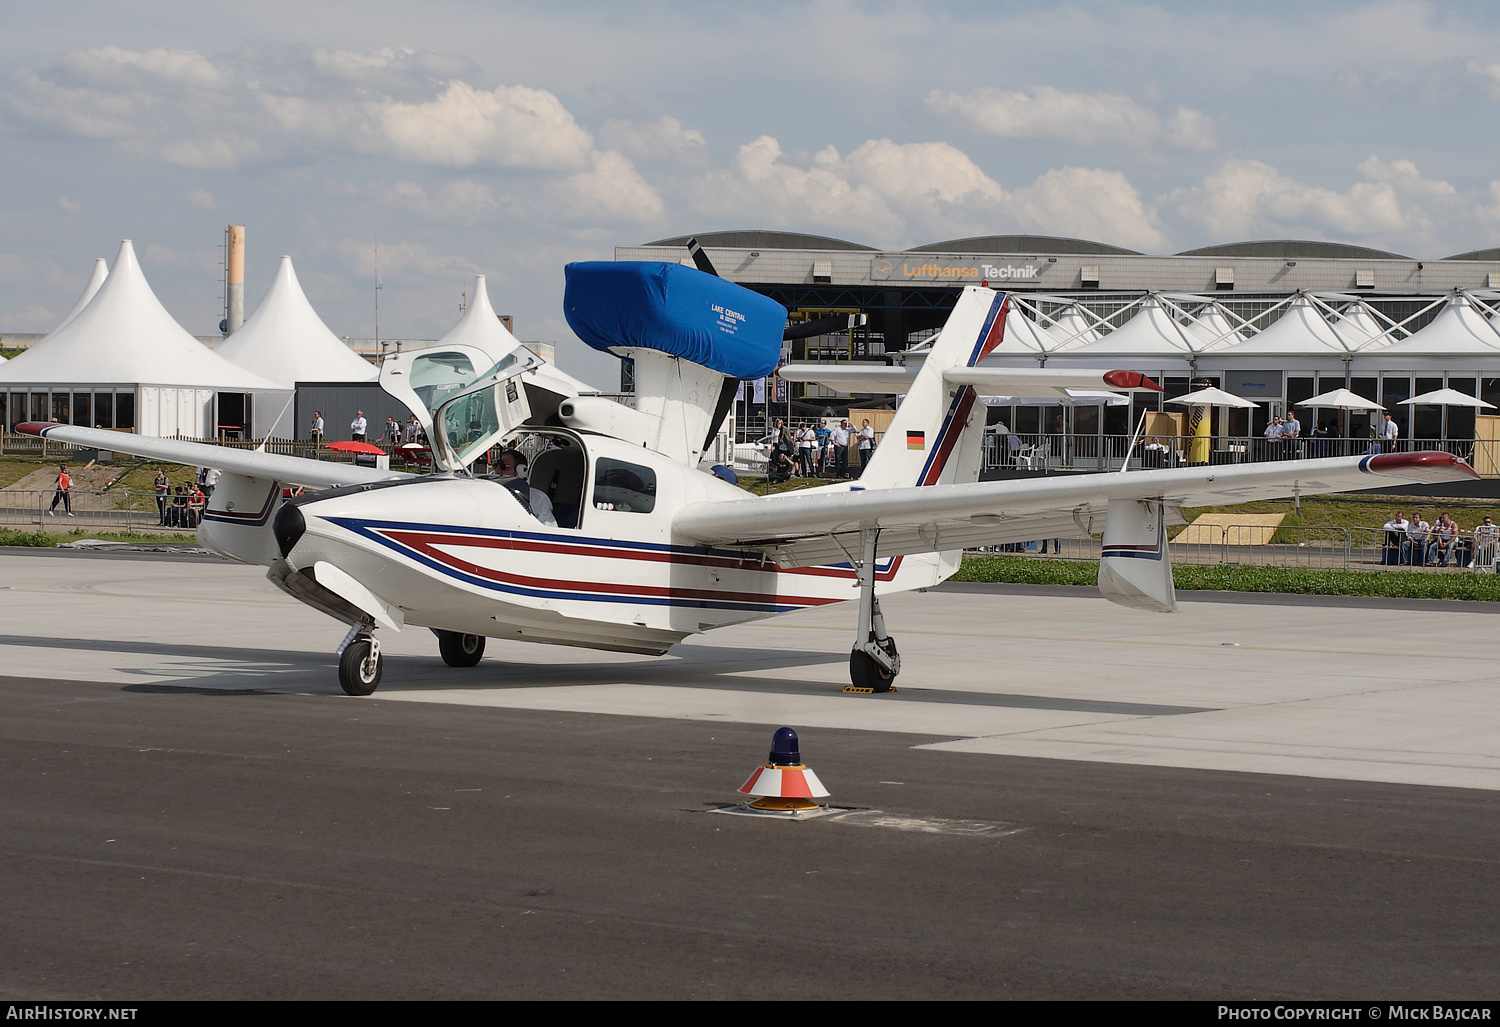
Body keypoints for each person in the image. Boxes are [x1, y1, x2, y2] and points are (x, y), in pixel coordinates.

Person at [496, 448, 555, 526]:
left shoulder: (538, 499)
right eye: (495, 466)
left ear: (521, 470)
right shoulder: (489, 494)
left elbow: (548, 530)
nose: (497, 470)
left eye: (504, 467)